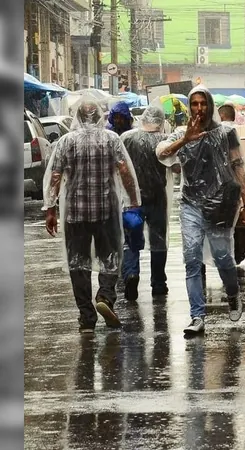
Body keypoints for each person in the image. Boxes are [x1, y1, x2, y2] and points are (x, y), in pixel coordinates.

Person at [156, 85, 245, 336]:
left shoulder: (226, 133)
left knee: (222, 257)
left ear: (210, 105)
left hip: (220, 205)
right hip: (191, 204)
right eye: (195, 104)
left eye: (203, 103)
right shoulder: (181, 132)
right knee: (191, 259)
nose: (199, 108)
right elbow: (161, 153)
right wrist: (186, 139)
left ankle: (233, 293)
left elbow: (237, 165)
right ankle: (197, 316)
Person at [42, 98, 141, 334]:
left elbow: (55, 175)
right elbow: (125, 170)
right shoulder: (111, 139)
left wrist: (51, 208)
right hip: (106, 211)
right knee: (110, 256)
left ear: (77, 117)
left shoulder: (66, 142)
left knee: (78, 264)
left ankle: (87, 317)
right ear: (100, 117)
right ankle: (105, 297)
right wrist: (133, 201)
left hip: (75, 214)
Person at [119, 105, 172, 301]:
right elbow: (175, 167)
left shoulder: (126, 137)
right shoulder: (164, 141)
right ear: (161, 120)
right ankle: (158, 283)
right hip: (157, 196)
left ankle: (131, 274)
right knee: (158, 240)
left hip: (132, 198)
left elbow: (120, 166)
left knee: (130, 239)